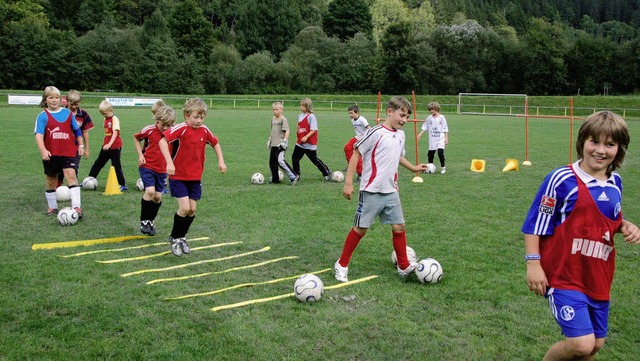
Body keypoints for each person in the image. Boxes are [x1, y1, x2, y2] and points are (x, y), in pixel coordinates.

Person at [522, 110, 640, 360]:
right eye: (594, 141)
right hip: (565, 276)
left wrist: (624, 225)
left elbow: (609, 220)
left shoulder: (615, 182)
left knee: (596, 344)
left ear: (619, 149)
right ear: (582, 142)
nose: (600, 150)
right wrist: (533, 264)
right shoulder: (562, 179)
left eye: (610, 144)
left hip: (598, 276)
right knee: (581, 345)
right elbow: (535, 224)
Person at [334, 96, 428, 282]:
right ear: (390, 111)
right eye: (402, 115)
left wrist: (413, 168)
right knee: (360, 229)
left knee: (399, 227)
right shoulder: (375, 132)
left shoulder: (401, 135)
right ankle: (342, 264)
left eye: (407, 117)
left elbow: (398, 156)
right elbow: (356, 154)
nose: (404, 120)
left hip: (391, 190)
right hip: (371, 190)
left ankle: (403, 266)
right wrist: (348, 182)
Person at [159, 98, 227, 257]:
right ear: (186, 116)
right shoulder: (181, 129)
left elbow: (215, 143)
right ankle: (174, 238)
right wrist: (169, 163)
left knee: (192, 210)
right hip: (178, 176)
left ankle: (182, 236)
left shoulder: (204, 130)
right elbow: (163, 141)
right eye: (196, 117)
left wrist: (221, 161)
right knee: (184, 208)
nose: (199, 121)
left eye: (202, 117)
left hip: (195, 177)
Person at [33, 86, 85, 217]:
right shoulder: (42, 116)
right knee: (51, 180)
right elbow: (38, 135)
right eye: (51, 97)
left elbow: (77, 131)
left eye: (57, 97)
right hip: (51, 154)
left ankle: (77, 207)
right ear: (45, 100)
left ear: (61, 99)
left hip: (68, 152)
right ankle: (52, 207)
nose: (54, 100)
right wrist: (43, 150)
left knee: (71, 176)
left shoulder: (67, 113)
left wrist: (81, 145)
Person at [133, 105, 177, 236]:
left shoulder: (173, 133)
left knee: (157, 197)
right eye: (163, 124)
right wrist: (140, 155)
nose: (165, 128)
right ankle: (144, 221)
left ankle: (151, 221)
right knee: (150, 191)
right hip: (147, 166)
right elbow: (136, 138)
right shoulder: (149, 130)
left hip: (162, 169)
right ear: (156, 120)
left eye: (168, 125)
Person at [87, 100, 128, 191]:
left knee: (116, 165)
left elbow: (115, 133)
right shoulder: (105, 119)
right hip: (106, 146)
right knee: (98, 163)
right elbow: (107, 134)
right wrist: (105, 144)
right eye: (102, 114)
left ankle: (122, 185)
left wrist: (109, 144)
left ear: (110, 110)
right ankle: (89, 180)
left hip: (115, 146)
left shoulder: (115, 119)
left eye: (105, 113)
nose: (104, 115)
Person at [57, 90, 94, 187]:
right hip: (61, 146)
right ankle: (57, 187)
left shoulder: (83, 114)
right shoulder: (60, 112)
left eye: (76, 104)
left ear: (80, 102)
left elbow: (85, 132)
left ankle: (73, 188)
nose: (74, 106)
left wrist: (86, 149)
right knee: (60, 168)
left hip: (77, 146)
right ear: (67, 101)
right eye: (71, 104)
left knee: (73, 168)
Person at [291, 98, 331, 181]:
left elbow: (314, 129)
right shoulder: (300, 116)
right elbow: (300, 126)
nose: (300, 107)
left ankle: (326, 172)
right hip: (300, 143)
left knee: (315, 160)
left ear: (307, 106)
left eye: (302, 105)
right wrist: (298, 132)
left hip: (309, 144)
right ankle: (296, 175)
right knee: (295, 158)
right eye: (300, 105)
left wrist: (306, 137)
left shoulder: (311, 116)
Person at [267, 102, 298, 185]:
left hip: (280, 144)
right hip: (274, 144)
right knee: (272, 163)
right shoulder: (273, 119)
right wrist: (270, 139)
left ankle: (293, 176)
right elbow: (272, 130)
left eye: (277, 109)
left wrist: (284, 141)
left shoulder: (283, 119)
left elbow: (287, 131)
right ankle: (275, 179)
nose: (275, 111)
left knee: (280, 161)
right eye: (273, 109)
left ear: (281, 110)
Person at [417, 101, 448, 174]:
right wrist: (419, 134)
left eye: (432, 109)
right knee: (430, 154)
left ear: (436, 109)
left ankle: (443, 167)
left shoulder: (442, 117)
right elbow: (425, 127)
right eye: (430, 109)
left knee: (440, 153)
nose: (431, 111)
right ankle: (429, 167)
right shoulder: (429, 118)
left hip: (440, 138)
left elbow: (445, 128)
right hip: (432, 139)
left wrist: (446, 138)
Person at [343, 105, 370, 177]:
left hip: (363, 139)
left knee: (358, 153)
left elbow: (369, 128)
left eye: (351, 113)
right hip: (357, 138)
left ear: (357, 112)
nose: (350, 115)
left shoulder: (362, 120)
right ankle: (351, 165)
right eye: (349, 113)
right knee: (347, 147)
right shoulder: (352, 120)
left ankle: (361, 174)